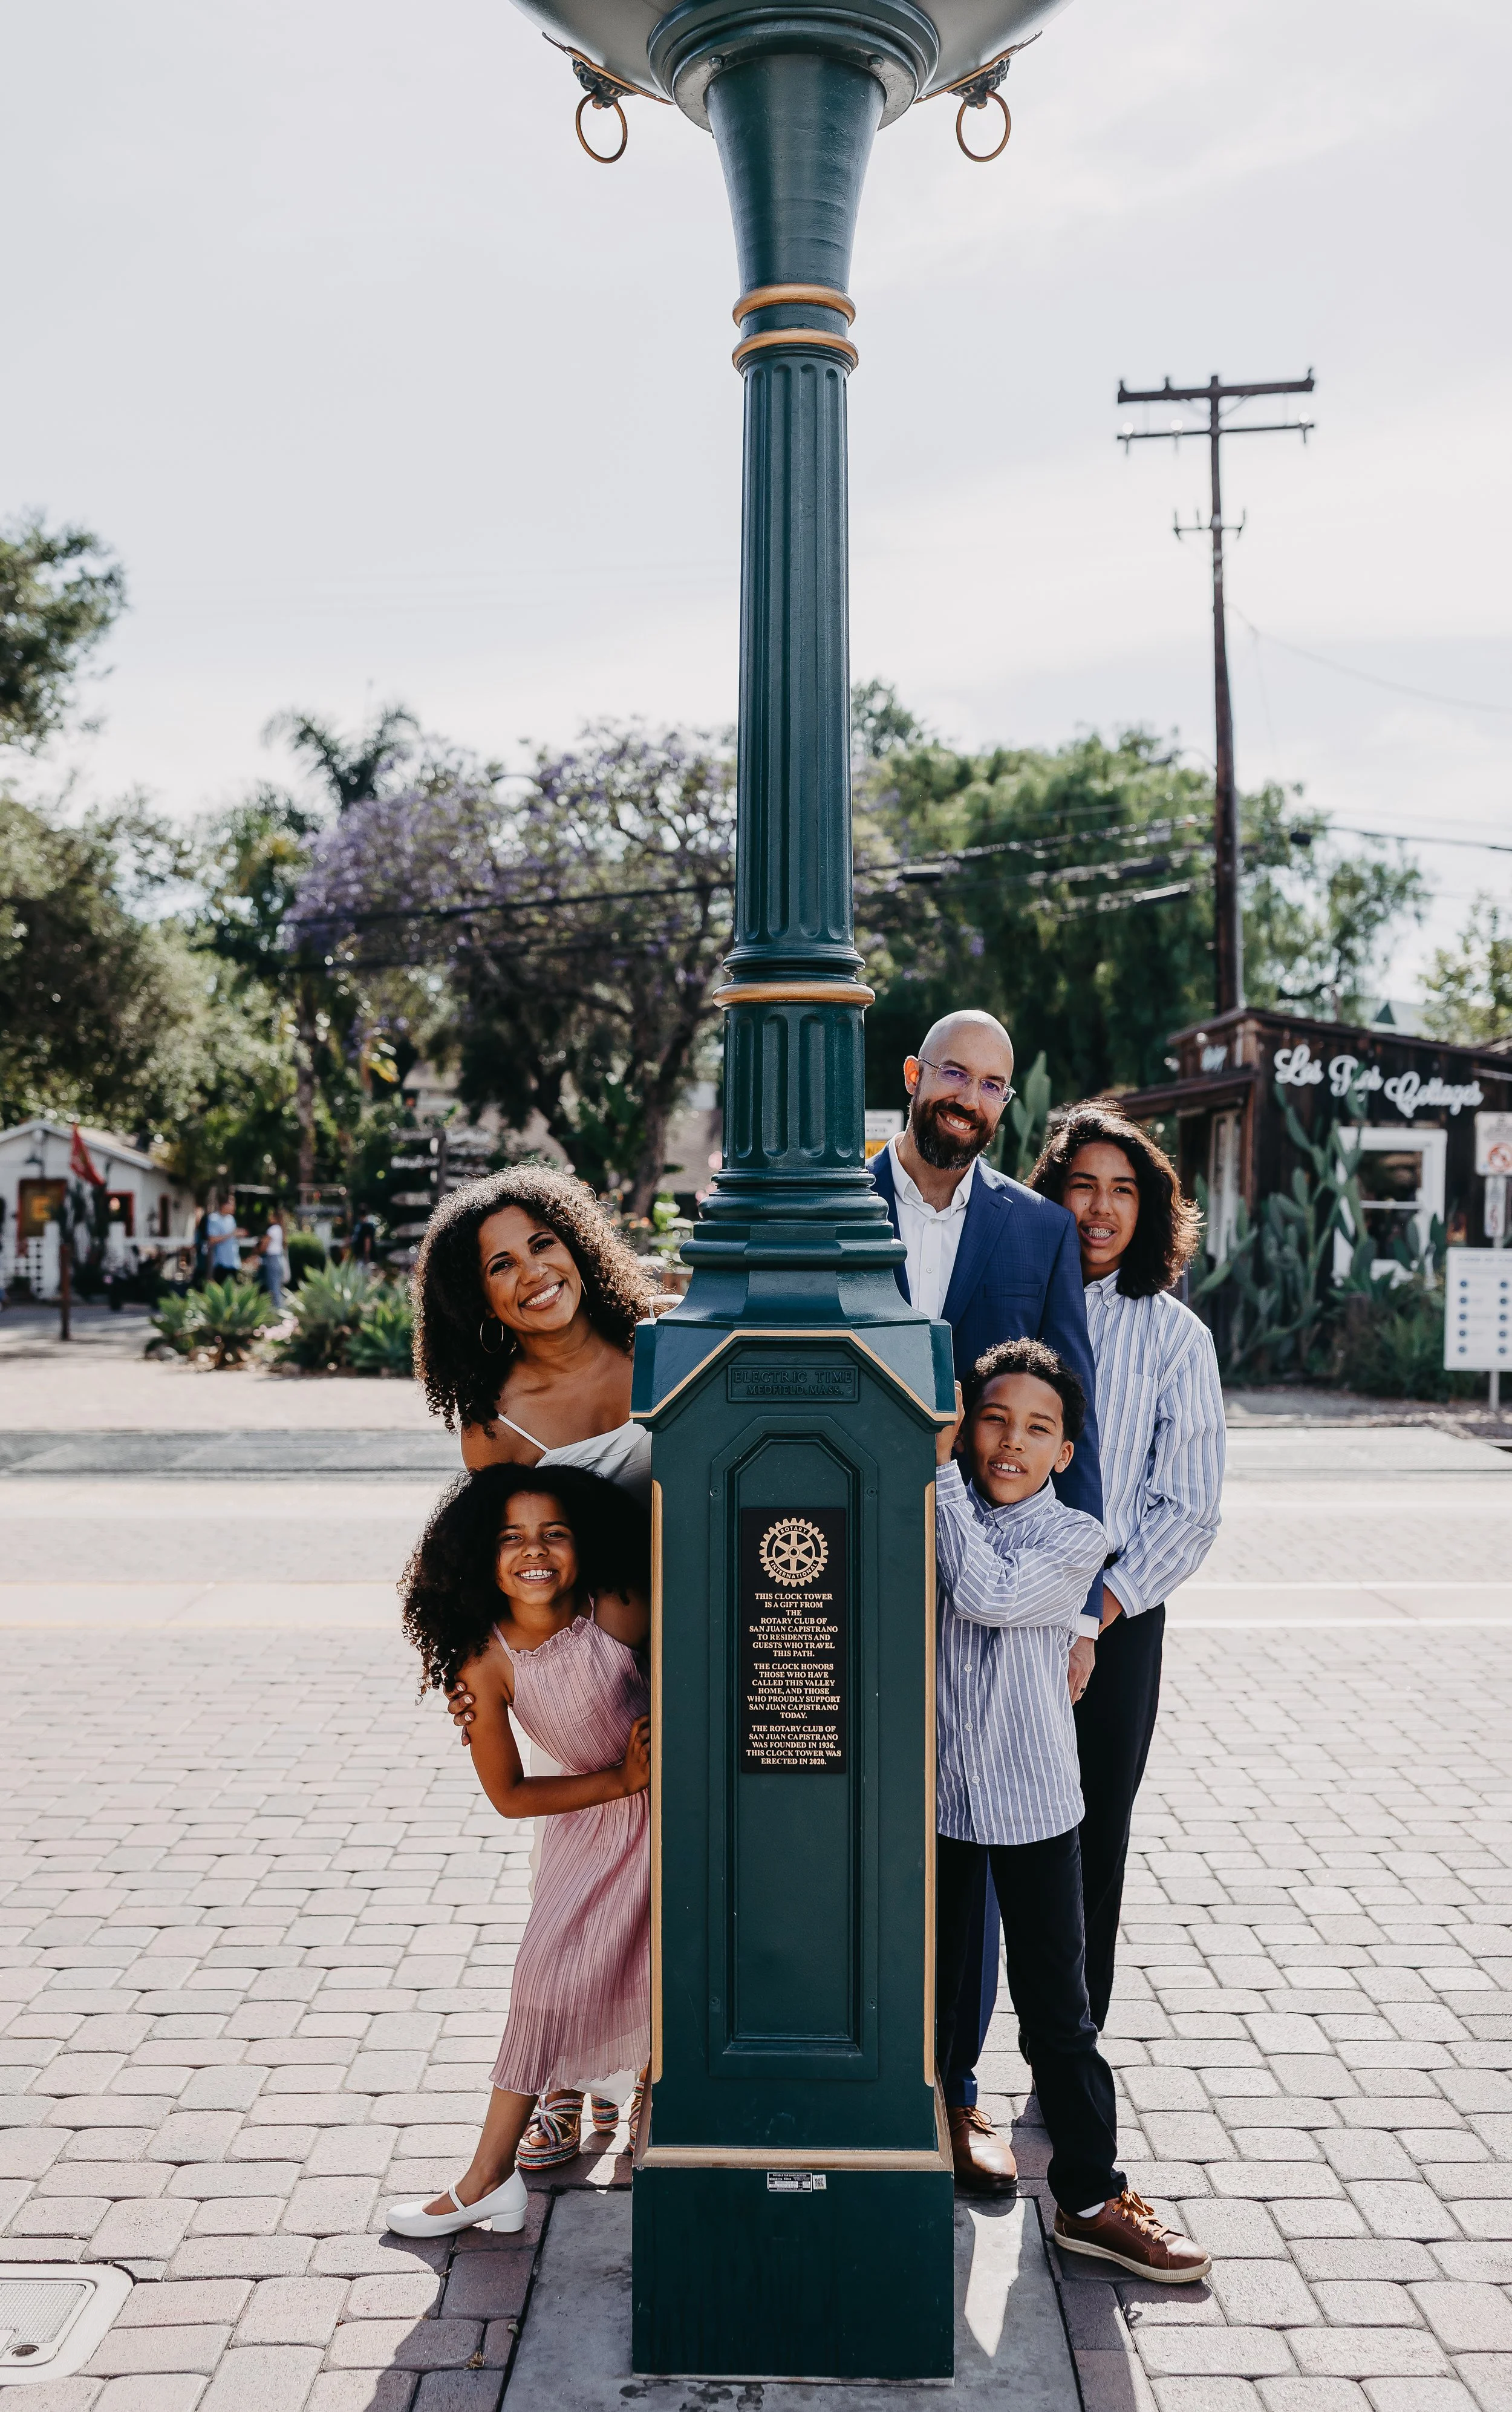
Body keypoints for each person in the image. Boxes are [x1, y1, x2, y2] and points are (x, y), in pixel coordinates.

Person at [870, 1008, 1103, 2195]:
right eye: (952, 1070)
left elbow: (1076, 1406)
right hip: (854, 1567)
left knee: (979, 1827)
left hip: (989, 1582)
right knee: (878, 1826)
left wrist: (1079, 1608)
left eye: (991, 1081)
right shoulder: (833, 1201)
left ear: (1004, 1103)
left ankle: (957, 2093)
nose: (967, 1092)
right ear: (913, 1078)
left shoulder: (1036, 1228)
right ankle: (896, 2070)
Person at [934, 1336, 1209, 2283]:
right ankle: (916, 2154)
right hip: (933, 1804)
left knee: (1059, 2011)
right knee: (925, 2000)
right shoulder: (931, 1509)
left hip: (1032, 1804)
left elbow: (986, 1592)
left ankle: (1090, 2196)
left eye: (1037, 1428)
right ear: (967, 1426)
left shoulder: (1076, 1537)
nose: (1010, 1441)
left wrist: (933, 1483)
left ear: (1064, 1450)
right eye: (993, 1418)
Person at [417, 1163, 663, 2166]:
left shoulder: (668, 1333)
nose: (530, 1274)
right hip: (596, 1657)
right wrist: (474, 1668)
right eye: (500, 1266)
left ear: (579, 1242)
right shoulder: (498, 1418)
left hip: (706, 1637)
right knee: (582, 1870)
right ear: (479, 1299)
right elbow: (506, 1555)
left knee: (671, 1880)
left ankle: (653, 2075)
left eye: (542, 1244)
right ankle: (564, 2073)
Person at [386, 1465, 651, 2238]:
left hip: (670, 1820)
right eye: (510, 1538)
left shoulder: (616, 1607)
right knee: (543, 1982)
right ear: (477, 1554)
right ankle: (487, 2181)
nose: (534, 1553)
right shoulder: (486, 1658)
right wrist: (617, 1780)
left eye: (554, 1534)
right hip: (589, 1819)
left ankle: (642, 2110)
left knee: (658, 1970)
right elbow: (509, 1795)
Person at [1029, 1104, 1224, 2031]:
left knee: (1093, 1832)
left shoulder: (1176, 1336)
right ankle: (954, 2072)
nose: (1100, 1209)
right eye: (1081, 1186)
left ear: (1149, 1208)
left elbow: (1188, 1506)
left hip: (1116, 1614)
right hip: (998, 1607)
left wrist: (1096, 1610)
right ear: (1052, 1194)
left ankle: (1070, 2047)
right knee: (978, 1830)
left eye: (1122, 1190)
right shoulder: (1013, 1306)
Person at [204, 1198, 241, 1279]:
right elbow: (212, 1239)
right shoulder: (214, 1218)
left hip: (233, 1261)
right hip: (220, 1263)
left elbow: (233, 1236)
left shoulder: (231, 1219)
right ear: (224, 1205)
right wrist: (231, 1234)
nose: (234, 1207)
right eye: (231, 1205)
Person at [259, 1214, 287, 1313]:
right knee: (277, 1286)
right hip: (278, 1259)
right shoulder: (280, 1229)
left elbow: (264, 1246)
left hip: (272, 1259)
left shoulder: (273, 1229)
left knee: (273, 1287)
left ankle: (279, 1310)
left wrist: (258, 1251)